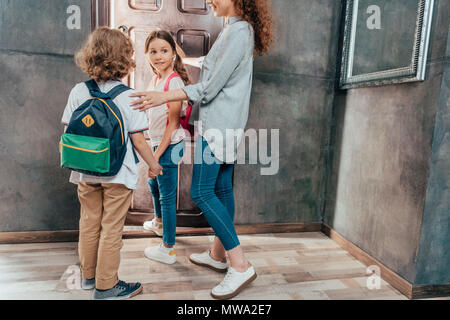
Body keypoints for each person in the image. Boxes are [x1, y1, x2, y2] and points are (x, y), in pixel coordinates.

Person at [130, 0, 273, 299]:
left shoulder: (238, 32)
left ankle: (240, 264)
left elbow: (209, 88)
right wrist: (182, 58)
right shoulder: (234, 30)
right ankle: (219, 256)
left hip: (219, 128)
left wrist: (163, 95)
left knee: (202, 192)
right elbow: (212, 66)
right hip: (223, 125)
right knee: (221, 189)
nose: (209, 0)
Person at [61, 27, 162, 300]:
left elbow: (69, 132)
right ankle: (107, 286)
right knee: (111, 228)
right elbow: (139, 141)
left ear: (91, 55)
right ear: (124, 58)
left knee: (89, 222)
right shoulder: (130, 96)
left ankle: (88, 277)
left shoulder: (78, 91)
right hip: (118, 173)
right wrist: (153, 165)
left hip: (84, 171)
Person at [141, 30, 189, 264]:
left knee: (167, 196)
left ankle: (168, 248)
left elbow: (172, 125)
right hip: (159, 143)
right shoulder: (156, 78)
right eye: (153, 51)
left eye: (164, 50)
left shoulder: (174, 82)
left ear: (173, 53)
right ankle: (159, 223)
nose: (158, 56)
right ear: (147, 54)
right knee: (153, 183)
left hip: (171, 144)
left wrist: (155, 158)